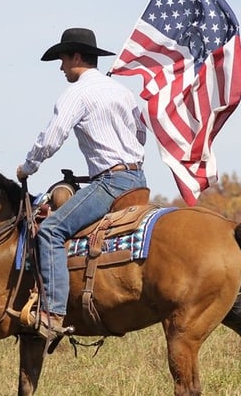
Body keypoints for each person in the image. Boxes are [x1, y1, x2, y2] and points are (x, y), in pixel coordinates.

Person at [16, 27, 147, 340]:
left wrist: (28, 166)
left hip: (112, 183)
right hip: (137, 179)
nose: (61, 68)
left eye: (62, 59)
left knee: (50, 230)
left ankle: (53, 313)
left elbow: (52, 138)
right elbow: (140, 134)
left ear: (76, 57)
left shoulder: (77, 93)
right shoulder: (122, 91)